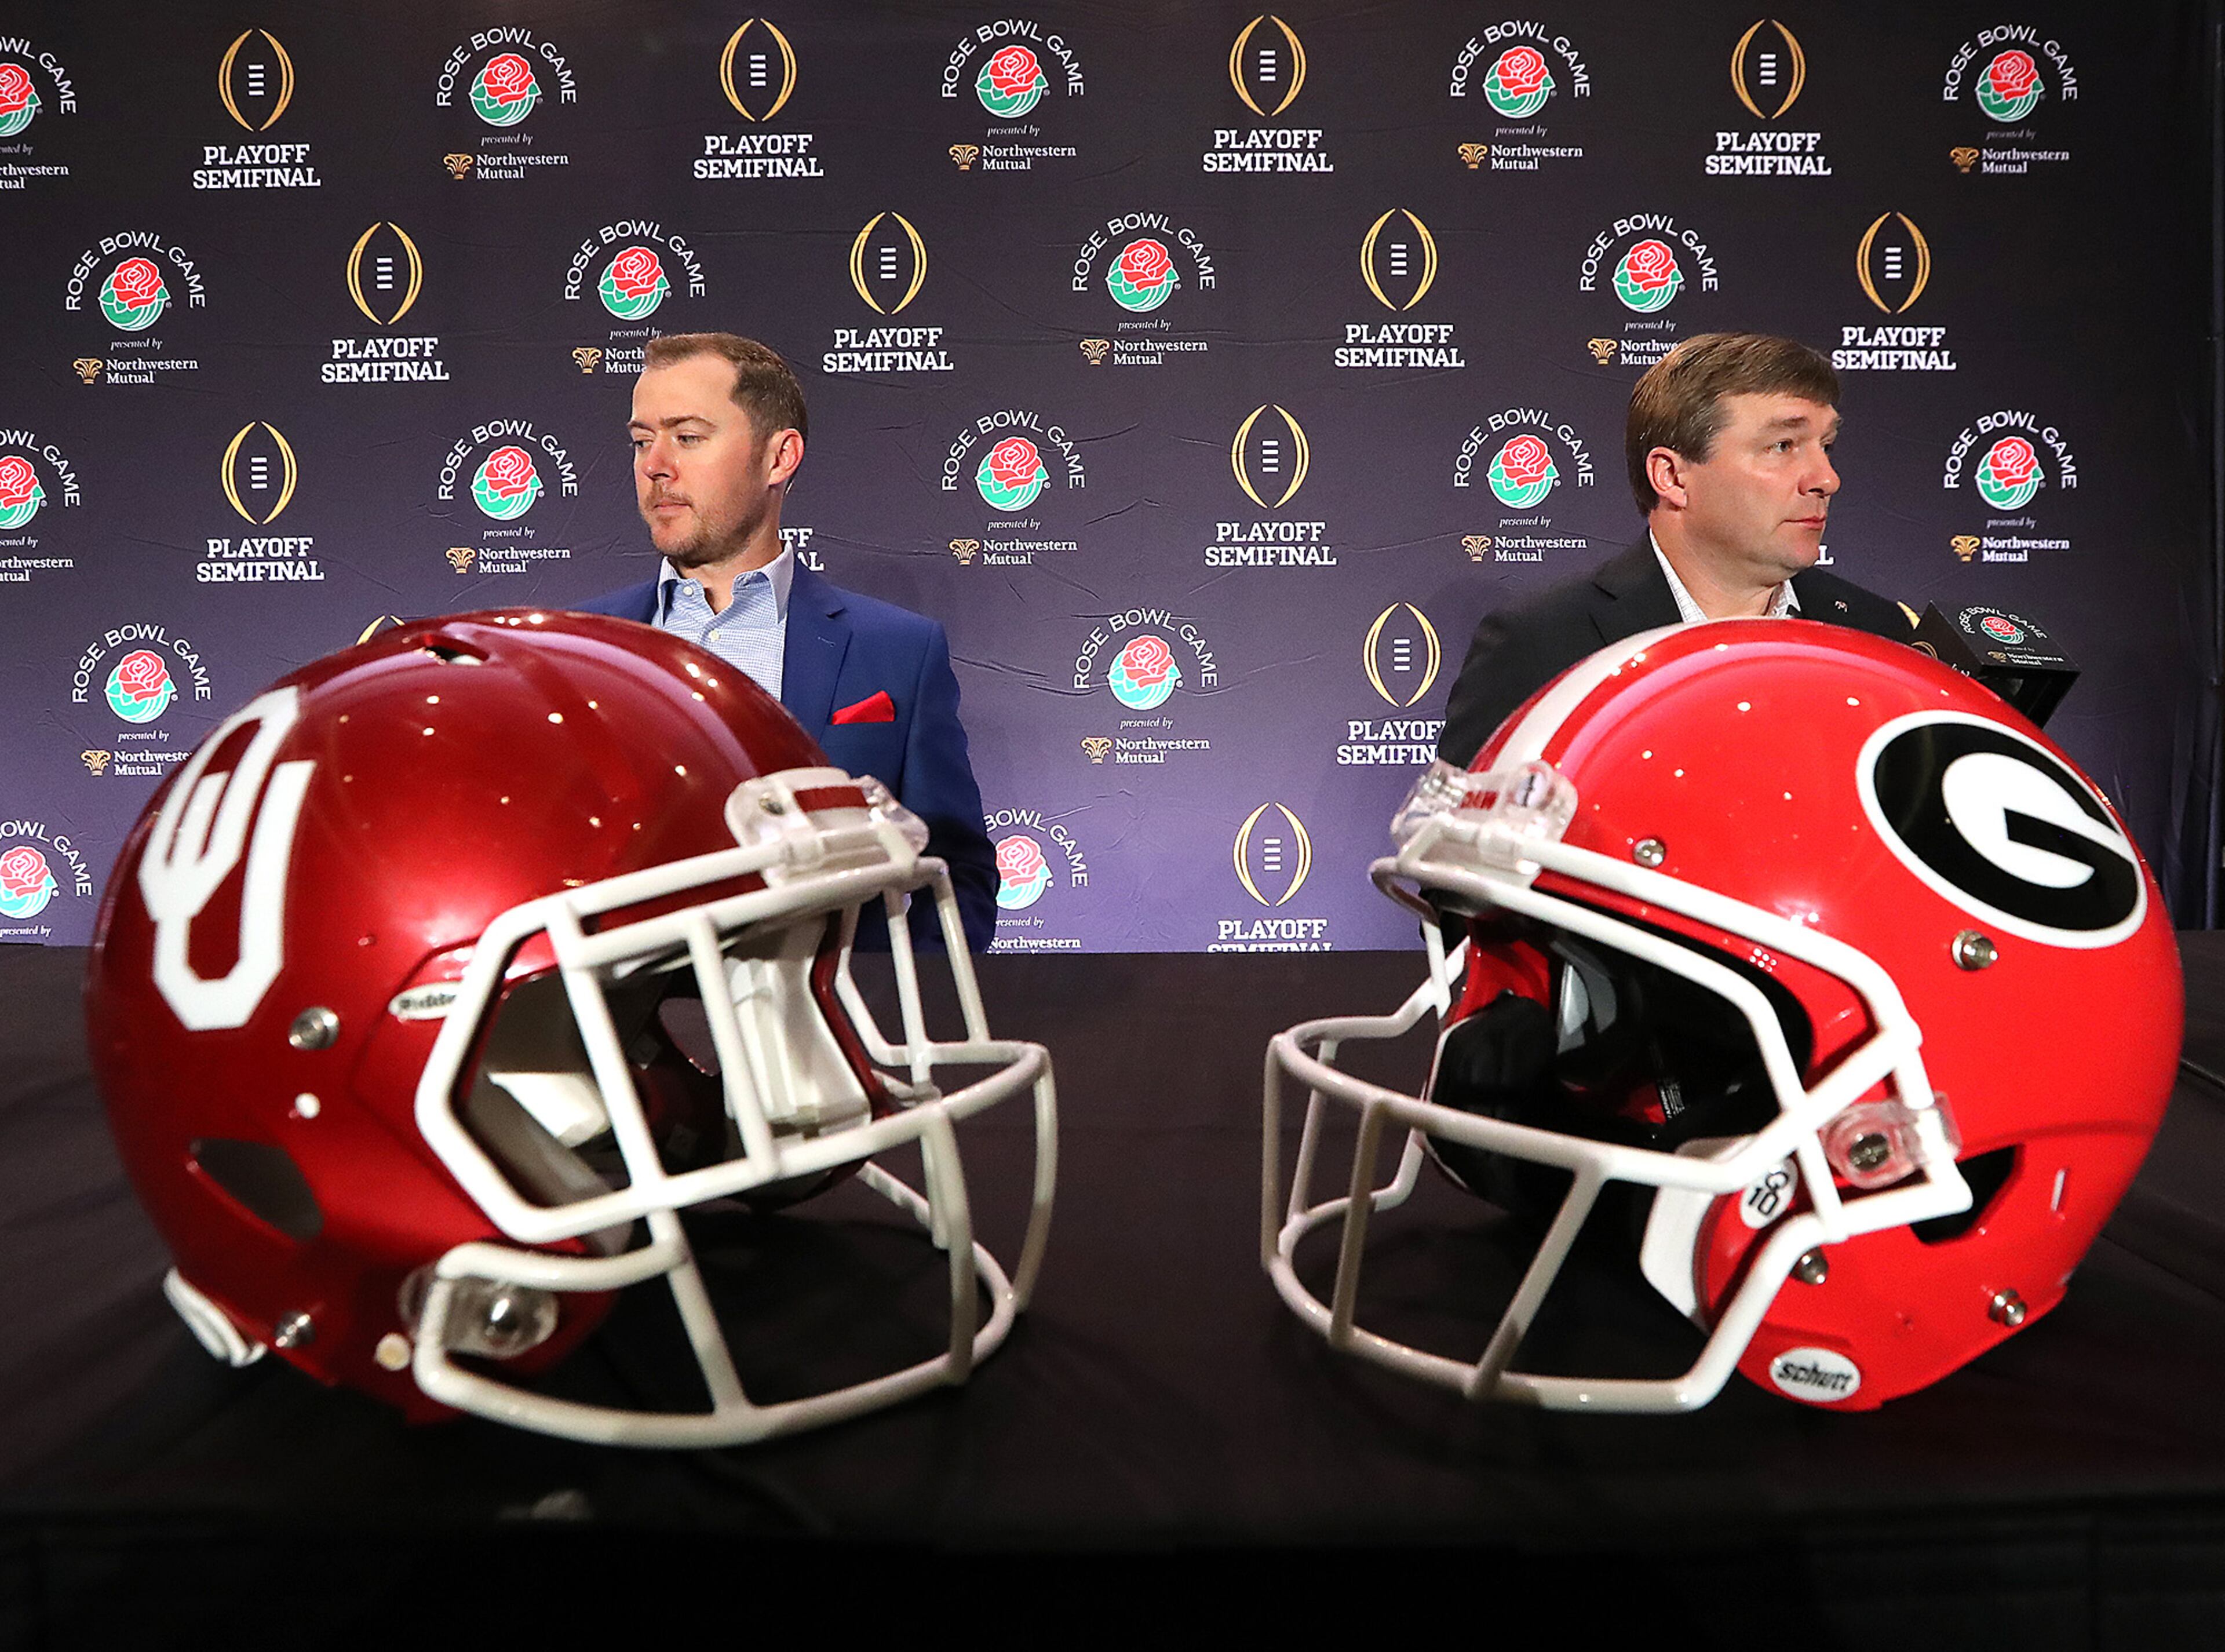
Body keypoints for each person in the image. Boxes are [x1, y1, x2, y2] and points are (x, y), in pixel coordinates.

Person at [574, 332, 995, 949]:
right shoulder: (582, 650)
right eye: (642, 440)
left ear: (780, 457)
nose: (654, 465)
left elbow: (959, 873)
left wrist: (893, 1011)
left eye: (687, 437)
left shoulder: (900, 652)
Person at [1436, 332, 1913, 767]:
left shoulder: (1875, 635)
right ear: (1673, 477)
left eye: (1825, 445)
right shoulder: (1543, 645)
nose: (1826, 479)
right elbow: (1462, 849)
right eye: (1783, 445)